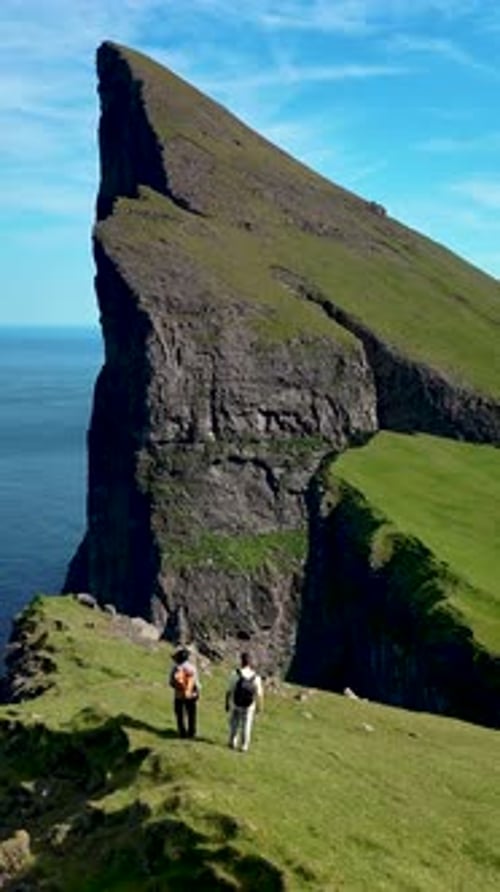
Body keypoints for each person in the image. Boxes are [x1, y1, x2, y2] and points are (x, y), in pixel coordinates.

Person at [225, 652, 263, 752]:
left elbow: (229, 690)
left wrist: (227, 703)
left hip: (236, 702)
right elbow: (259, 694)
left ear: (241, 661)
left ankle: (232, 742)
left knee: (234, 723)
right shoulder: (256, 677)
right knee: (247, 724)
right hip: (249, 705)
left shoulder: (235, 674)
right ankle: (244, 746)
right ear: (250, 662)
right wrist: (259, 707)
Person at [169, 646, 200, 738]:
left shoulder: (175, 668)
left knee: (180, 714)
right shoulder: (192, 668)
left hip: (179, 695)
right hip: (191, 694)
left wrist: (178, 687)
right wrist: (197, 692)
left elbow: (171, 682)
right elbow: (196, 682)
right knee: (191, 714)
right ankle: (191, 732)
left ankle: (182, 732)